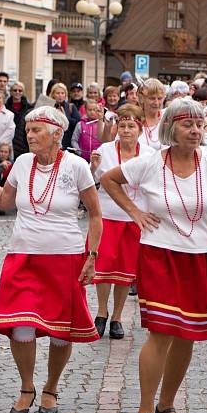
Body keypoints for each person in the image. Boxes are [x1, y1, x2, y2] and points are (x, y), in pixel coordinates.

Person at [99, 98, 207, 413]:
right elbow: (109, 180)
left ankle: (166, 406)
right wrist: (135, 213)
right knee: (161, 332)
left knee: (188, 334)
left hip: (201, 257)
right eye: (188, 125)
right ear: (171, 128)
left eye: (199, 125)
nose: (196, 131)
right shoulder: (150, 163)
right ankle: (144, 410)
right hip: (159, 255)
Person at [0, 105, 101, 413]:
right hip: (23, 255)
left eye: (37, 130)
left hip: (65, 258)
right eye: (28, 130)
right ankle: (27, 388)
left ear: (56, 134)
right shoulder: (23, 163)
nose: (30, 135)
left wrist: (92, 256)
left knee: (61, 331)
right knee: (21, 324)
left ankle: (50, 388)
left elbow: (95, 214)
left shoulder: (77, 167)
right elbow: (3, 201)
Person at [89, 105, 146, 339]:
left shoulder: (150, 154)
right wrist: (92, 167)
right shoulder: (105, 150)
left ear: (140, 129)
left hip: (133, 218)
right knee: (103, 268)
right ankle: (101, 313)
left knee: (125, 270)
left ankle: (117, 318)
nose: (125, 130)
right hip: (108, 216)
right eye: (121, 126)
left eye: (131, 126)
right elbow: (92, 180)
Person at [5, 81, 33, 159]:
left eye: (20, 90)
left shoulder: (29, 108)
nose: (17, 92)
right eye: (15, 90)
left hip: (24, 142)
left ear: (23, 92)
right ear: (11, 92)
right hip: (9, 143)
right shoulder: (5, 107)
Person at [49, 83, 80, 149]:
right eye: (58, 93)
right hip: (51, 142)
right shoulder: (48, 106)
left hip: (67, 143)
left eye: (62, 93)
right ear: (53, 95)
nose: (60, 95)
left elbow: (78, 123)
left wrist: (65, 117)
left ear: (65, 95)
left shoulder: (70, 106)